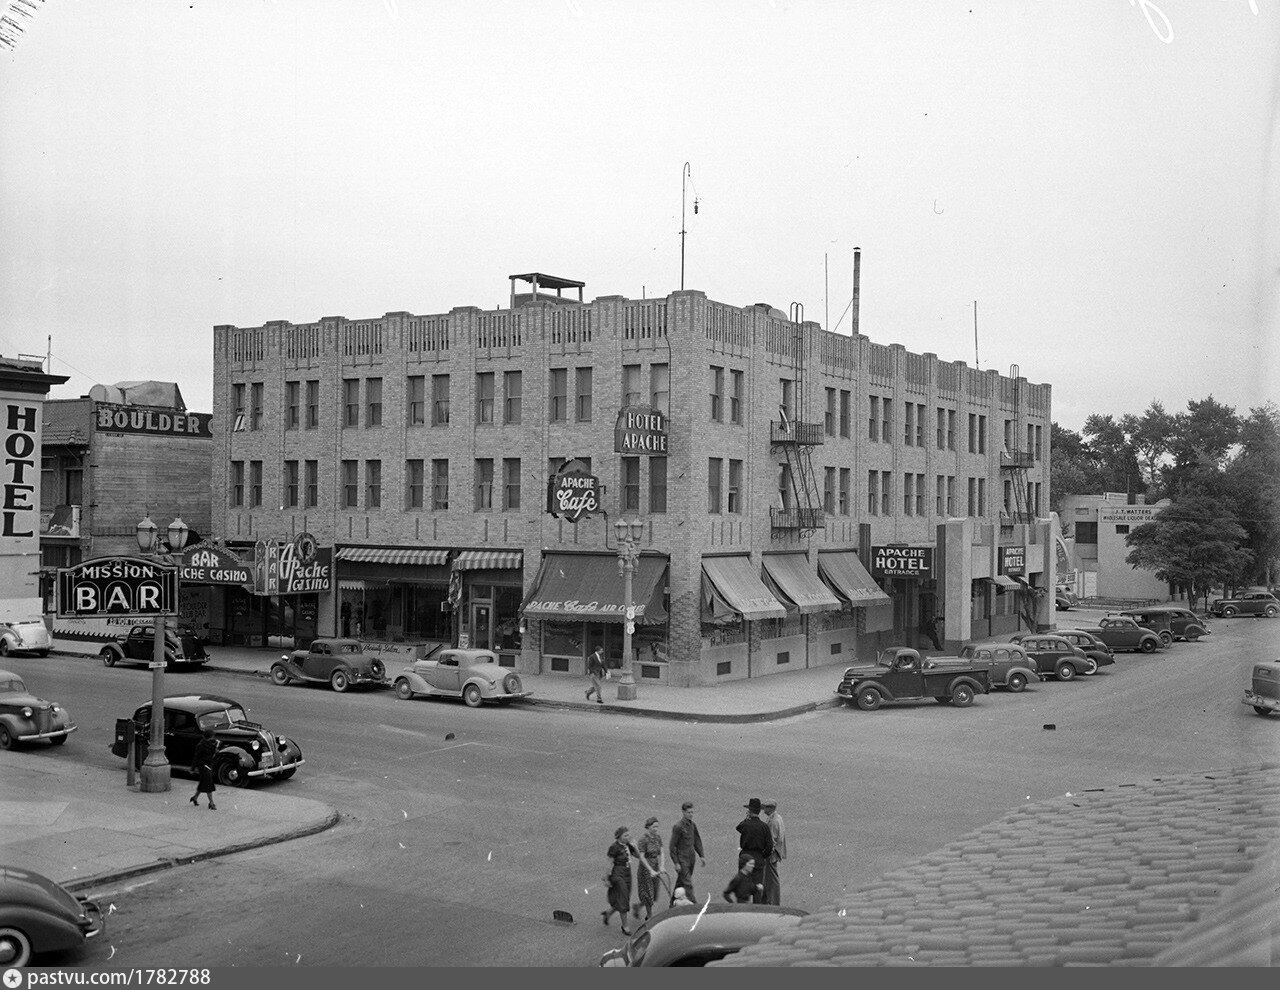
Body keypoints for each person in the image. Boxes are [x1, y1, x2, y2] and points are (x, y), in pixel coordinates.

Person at [602, 826, 639, 935]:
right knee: (623, 899)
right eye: (625, 835)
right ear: (619, 836)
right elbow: (609, 863)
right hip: (618, 873)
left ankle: (608, 913)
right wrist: (606, 877)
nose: (628, 837)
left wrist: (635, 846)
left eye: (628, 835)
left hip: (628, 872)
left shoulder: (629, 845)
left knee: (624, 896)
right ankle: (625, 926)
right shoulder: (614, 847)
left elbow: (638, 856)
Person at [735, 798, 773, 904]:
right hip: (758, 858)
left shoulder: (745, 825)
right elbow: (769, 846)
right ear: (759, 811)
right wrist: (763, 855)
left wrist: (747, 818)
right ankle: (757, 910)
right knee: (757, 889)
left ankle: (742, 911)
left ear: (750, 811)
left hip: (745, 856)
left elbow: (738, 827)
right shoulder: (764, 827)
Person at [668, 800, 705, 903]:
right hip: (682, 858)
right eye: (689, 812)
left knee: (681, 881)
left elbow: (697, 840)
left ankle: (672, 903)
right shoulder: (678, 827)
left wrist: (701, 855)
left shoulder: (692, 825)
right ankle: (695, 906)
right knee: (688, 883)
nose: (691, 814)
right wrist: (676, 862)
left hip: (691, 858)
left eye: (692, 812)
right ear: (683, 812)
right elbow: (672, 846)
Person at [634, 816, 666, 921]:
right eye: (654, 827)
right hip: (645, 868)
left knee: (654, 892)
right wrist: (650, 870)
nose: (656, 829)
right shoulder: (643, 840)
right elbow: (641, 857)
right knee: (648, 892)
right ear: (648, 827)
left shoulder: (658, 837)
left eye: (657, 827)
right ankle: (649, 916)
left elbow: (661, 852)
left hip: (655, 865)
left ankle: (638, 906)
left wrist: (662, 866)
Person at [762, 799, 787, 905]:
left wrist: (765, 853)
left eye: (766, 807)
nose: (764, 809)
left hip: (771, 854)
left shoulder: (773, 821)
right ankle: (769, 900)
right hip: (776, 852)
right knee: (770, 878)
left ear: (771, 808)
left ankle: (773, 902)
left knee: (771, 879)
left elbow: (771, 840)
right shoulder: (777, 817)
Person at [190, 727, 219, 811]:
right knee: (209, 784)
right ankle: (211, 803)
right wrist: (193, 768)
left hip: (209, 765)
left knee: (203, 783)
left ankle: (195, 798)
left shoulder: (211, 744)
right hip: (203, 766)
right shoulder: (201, 745)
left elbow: (215, 751)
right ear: (210, 737)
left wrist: (216, 746)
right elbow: (196, 757)